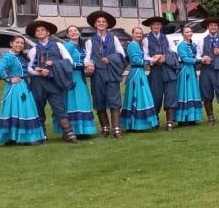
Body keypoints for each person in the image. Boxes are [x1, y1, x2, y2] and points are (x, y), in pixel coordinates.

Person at [25, 20, 76, 142]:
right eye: (37, 31)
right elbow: (28, 67)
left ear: (48, 32)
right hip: (38, 83)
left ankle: (68, 133)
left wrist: (53, 64)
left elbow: (70, 62)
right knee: (38, 108)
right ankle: (41, 134)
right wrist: (37, 71)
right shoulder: (32, 50)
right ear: (35, 35)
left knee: (59, 107)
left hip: (54, 82)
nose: (40, 32)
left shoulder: (59, 46)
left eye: (42, 30)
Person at [0, 35, 47, 145]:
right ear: (11, 43)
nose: (19, 45)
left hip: (24, 85)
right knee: (21, 110)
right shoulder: (8, 56)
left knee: (25, 110)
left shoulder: (19, 56)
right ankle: (19, 137)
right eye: (17, 42)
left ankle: (22, 137)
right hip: (16, 88)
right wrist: (9, 79)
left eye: (22, 43)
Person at [84, 10, 125, 138]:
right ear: (95, 25)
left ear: (107, 25)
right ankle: (105, 128)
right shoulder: (90, 41)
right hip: (98, 74)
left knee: (114, 100)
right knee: (99, 100)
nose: (101, 23)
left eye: (103, 22)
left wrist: (110, 59)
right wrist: (89, 64)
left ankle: (116, 129)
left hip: (111, 72)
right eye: (99, 22)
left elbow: (122, 55)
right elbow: (87, 57)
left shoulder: (114, 38)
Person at [61, 25, 97, 138]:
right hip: (72, 76)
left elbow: (88, 58)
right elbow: (67, 62)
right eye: (70, 31)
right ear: (67, 35)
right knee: (74, 100)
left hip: (81, 76)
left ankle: (83, 129)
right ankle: (73, 129)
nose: (73, 32)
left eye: (75, 30)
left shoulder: (81, 46)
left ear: (79, 33)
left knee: (83, 100)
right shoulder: (69, 45)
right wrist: (83, 66)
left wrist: (90, 64)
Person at [143, 16, 179, 130]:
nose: (156, 26)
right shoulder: (146, 39)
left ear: (161, 26)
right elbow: (145, 56)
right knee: (156, 96)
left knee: (170, 95)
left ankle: (169, 121)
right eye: (154, 24)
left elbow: (175, 53)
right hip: (156, 71)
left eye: (158, 24)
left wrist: (165, 58)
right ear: (150, 26)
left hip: (168, 70)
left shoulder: (167, 38)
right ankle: (155, 119)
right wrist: (154, 59)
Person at [123, 27, 160, 131]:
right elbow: (136, 61)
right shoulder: (133, 45)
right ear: (132, 34)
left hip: (140, 72)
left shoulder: (137, 45)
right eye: (136, 33)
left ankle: (140, 123)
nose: (139, 35)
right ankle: (136, 123)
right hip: (136, 72)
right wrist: (152, 60)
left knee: (142, 96)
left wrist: (151, 60)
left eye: (140, 33)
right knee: (138, 96)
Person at [174, 27, 203, 124]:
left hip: (192, 70)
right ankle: (183, 118)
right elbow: (185, 59)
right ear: (182, 34)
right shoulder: (181, 45)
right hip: (185, 70)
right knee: (185, 92)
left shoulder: (193, 44)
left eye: (190, 31)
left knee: (192, 91)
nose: (189, 33)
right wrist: (199, 60)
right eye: (186, 32)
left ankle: (192, 117)